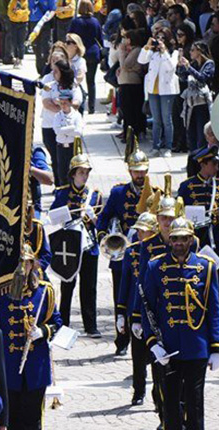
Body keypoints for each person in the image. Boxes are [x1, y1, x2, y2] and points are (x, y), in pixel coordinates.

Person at [140, 216, 219, 430]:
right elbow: (148, 307)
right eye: (174, 239)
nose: (178, 243)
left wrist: (216, 346)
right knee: (171, 404)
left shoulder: (206, 267)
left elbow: (214, 308)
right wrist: (153, 343)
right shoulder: (155, 268)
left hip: (196, 348)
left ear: (191, 240)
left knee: (195, 405)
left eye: (182, 239)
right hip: (168, 349)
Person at [0, 244, 61, 430]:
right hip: (9, 365)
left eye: (27, 263)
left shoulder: (45, 292)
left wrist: (43, 331)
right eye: (18, 263)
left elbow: (57, 322)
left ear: (32, 265)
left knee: (33, 417)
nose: (22, 267)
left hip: (35, 365)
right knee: (14, 415)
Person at [97, 139, 149, 356]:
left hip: (145, 250)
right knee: (121, 295)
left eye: (143, 171)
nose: (140, 175)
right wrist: (103, 235)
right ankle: (122, 340)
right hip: (122, 252)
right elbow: (105, 217)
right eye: (136, 171)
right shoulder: (118, 193)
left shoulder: (153, 192)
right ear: (129, 171)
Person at [50, 148, 100, 336]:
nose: (84, 176)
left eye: (86, 173)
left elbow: (100, 224)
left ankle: (91, 325)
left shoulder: (94, 195)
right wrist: (69, 213)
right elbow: (53, 218)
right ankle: (63, 324)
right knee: (67, 285)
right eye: (81, 172)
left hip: (89, 246)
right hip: (69, 245)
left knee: (89, 287)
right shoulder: (62, 193)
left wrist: (93, 217)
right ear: (73, 174)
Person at [117, 212, 158, 407]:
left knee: (158, 358)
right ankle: (138, 391)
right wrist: (120, 313)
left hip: (156, 312)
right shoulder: (131, 252)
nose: (140, 234)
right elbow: (124, 284)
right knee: (138, 356)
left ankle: (159, 395)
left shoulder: (162, 250)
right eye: (139, 231)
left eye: (144, 231)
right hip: (135, 311)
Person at [138, 28, 180, 158]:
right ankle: (155, 146)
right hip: (153, 89)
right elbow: (141, 60)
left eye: (163, 38)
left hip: (167, 90)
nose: (160, 41)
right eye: (158, 38)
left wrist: (164, 52)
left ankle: (168, 147)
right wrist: (147, 46)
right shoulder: (153, 53)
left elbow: (171, 67)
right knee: (156, 120)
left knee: (167, 119)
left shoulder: (174, 52)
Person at [41, 57, 80, 183]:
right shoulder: (49, 82)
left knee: (68, 158)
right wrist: (63, 108)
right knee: (55, 157)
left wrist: (60, 105)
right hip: (49, 125)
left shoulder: (72, 84)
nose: (54, 74)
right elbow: (46, 103)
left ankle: (70, 183)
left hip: (68, 127)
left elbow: (76, 103)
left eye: (56, 71)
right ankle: (59, 185)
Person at [177, 41, 214, 153]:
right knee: (191, 132)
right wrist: (180, 66)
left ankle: (202, 157)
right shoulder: (194, 64)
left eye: (193, 50)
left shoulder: (209, 64)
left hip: (202, 103)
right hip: (191, 102)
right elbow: (183, 78)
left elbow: (202, 78)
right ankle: (193, 157)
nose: (190, 52)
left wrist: (188, 67)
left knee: (201, 133)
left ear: (200, 51)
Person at [69, 0, 102, 113]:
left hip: (79, 53)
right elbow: (100, 38)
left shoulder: (76, 22)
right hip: (93, 52)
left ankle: (77, 101)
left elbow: (70, 36)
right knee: (91, 81)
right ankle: (92, 107)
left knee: (76, 79)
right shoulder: (95, 21)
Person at [52, 89, 84, 183]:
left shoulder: (76, 116)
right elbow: (57, 131)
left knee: (73, 173)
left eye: (65, 103)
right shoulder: (57, 116)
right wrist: (71, 128)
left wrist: (64, 130)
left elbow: (78, 132)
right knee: (62, 173)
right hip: (61, 147)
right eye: (61, 103)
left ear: (70, 102)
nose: (63, 105)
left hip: (72, 146)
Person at [7, 0, 30, 69]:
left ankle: (20, 58)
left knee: (21, 42)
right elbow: (9, 13)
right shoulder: (12, 2)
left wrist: (17, 12)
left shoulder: (26, 2)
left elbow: (27, 12)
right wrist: (20, 13)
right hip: (13, 23)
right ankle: (16, 57)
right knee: (14, 42)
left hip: (23, 23)